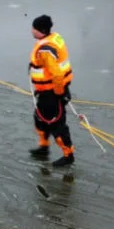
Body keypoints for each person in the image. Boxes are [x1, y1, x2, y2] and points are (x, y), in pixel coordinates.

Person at [27, 14, 75, 168]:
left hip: (52, 93)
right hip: (45, 92)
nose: (31, 31)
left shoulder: (46, 49)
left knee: (57, 125)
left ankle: (68, 155)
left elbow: (57, 74)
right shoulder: (54, 38)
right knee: (40, 120)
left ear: (40, 30)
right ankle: (43, 147)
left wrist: (60, 94)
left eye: (33, 28)